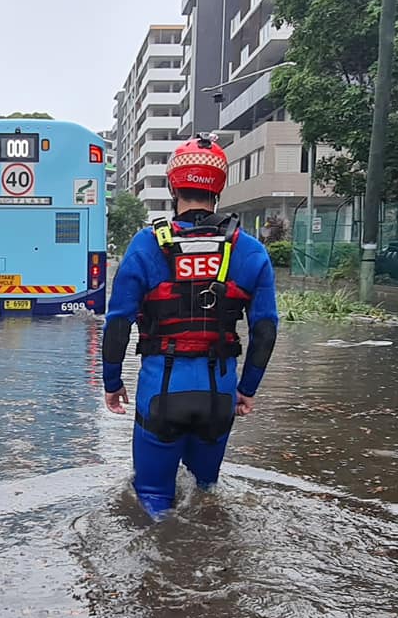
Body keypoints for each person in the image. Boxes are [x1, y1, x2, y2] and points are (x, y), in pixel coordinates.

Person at [101, 135, 279, 519]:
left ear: (172, 185)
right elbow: (265, 329)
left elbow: (117, 323)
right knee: (206, 496)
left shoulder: (146, 245)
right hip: (219, 393)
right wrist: (247, 389)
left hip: (161, 390)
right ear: (219, 186)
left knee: (151, 499)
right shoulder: (250, 250)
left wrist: (112, 382)